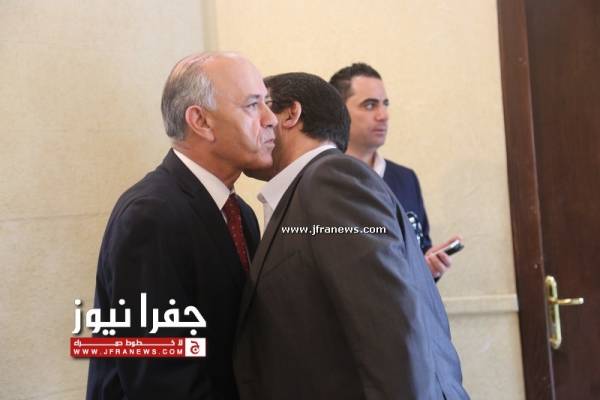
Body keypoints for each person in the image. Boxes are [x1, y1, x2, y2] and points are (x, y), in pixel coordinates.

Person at [234, 72, 469, 399]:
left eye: (259, 106)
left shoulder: (331, 178)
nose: (253, 124)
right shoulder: (308, 187)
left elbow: (388, 326)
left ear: (290, 114)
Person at [86, 52, 277, 400]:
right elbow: (160, 379)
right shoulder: (151, 216)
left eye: (268, 103)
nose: (271, 119)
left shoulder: (241, 213)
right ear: (201, 121)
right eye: (253, 105)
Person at [330, 63, 460, 279]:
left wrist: (430, 267)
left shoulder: (406, 179)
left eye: (385, 104)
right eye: (370, 105)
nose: (383, 115)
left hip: (409, 302)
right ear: (338, 112)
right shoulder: (322, 180)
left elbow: (420, 249)